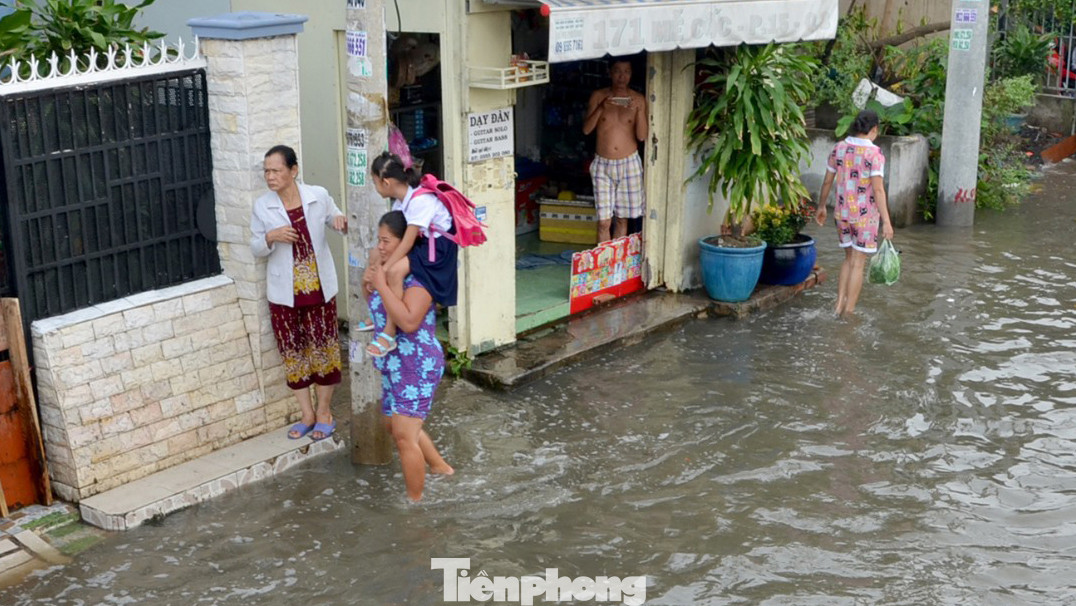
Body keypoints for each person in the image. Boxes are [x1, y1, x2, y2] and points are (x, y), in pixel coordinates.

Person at [250, 145, 347, 441]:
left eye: (276, 170)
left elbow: (335, 218)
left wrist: (340, 221)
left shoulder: (317, 195)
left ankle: (324, 413)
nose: (270, 176)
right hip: (284, 295)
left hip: (319, 290)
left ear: (293, 171)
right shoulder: (262, 206)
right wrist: (271, 237)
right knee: (293, 354)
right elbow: (256, 247)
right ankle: (307, 415)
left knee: (324, 352)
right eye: (266, 171)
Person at [369, 210, 454, 501]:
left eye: (386, 241)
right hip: (393, 363)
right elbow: (377, 308)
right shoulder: (385, 270)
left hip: (417, 364)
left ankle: (415, 505)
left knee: (405, 436)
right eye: (378, 240)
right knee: (394, 426)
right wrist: (371, 282)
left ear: (405, 243)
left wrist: (381, 284)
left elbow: (408, 322)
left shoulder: (419, 280)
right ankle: (441, 468)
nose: (380, 247)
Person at [364, 152, 456, 358]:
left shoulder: (420, 200)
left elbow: (407, 241)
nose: (375, 187)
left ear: (386, 182)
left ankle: (389, 331)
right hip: (423, 243)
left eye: (375, 182)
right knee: (376, 255)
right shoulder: (401, 201)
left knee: (394, 271)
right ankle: (378, 314)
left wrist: (386, 268)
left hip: (436, 248)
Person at [815, 110, 894, 317]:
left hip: (841, 214)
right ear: (874, 129)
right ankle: (848, 314)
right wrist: (886, 222)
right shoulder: (875, 154)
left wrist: (821, 207)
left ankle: (838, 305)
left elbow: (827, 181)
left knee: (848, 259)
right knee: (858, 263)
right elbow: (878, 190)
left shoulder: (839, 148)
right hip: (865, 217)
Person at [582, 58, 648, 243]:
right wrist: (602, 107)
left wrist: (639, 110)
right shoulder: (598, 96)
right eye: (617, 71)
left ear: (631, 74)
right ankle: (605, 260)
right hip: (602, 164)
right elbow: (586, 129)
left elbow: (642, 136)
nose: (622, 76)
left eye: (626, 72)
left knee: (622, 219)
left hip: (629, 162)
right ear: (610, 73)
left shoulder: (638, 99)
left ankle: (616, 261)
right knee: (604, 222)